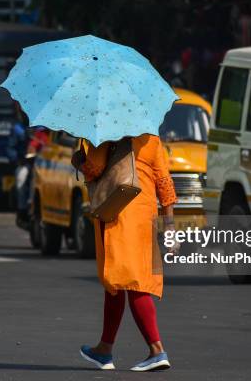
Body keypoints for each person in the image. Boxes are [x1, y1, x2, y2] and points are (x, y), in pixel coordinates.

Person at [72, 134, 178, 372]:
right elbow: (164, 180)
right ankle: (104, 349)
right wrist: (169, 224)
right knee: (119, 281)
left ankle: (156, 349)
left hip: (118, 212)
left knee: (130, 280)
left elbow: (94, 167)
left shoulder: (109, 136)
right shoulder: (152, 138)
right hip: (145, 214)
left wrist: (78, 160)